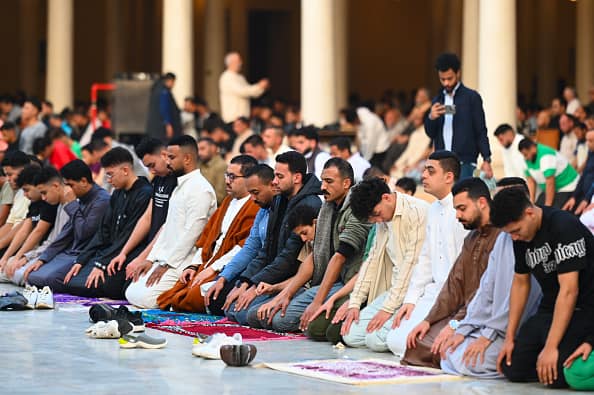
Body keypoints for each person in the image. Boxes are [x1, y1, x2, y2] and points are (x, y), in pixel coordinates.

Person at [249, 158, 370, 335]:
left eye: (329, 182)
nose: (322, 187)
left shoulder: (357, 209)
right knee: (254, 315)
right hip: (324, 280)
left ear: (346, 183)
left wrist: (316, 301)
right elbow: (313, 257)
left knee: (281, 321)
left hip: (349, 281)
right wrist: (285, 294)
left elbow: (339, 257)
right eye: (322, 180)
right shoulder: (327, 207)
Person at [491, 187, 594, 388]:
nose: (514, 238)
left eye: (515, 231)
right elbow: (521, 283)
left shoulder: (564, 226)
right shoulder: (521, 236)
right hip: (551, 308)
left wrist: (551, 347)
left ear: (529, 213)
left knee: (555, 374)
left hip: (584, 308)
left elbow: (569, 291)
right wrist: (509, 338)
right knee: (510, 366)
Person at [440, 178, 542, 378]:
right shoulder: (504, 237)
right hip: (491, 325)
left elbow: (523, 299)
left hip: (515, 328)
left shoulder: (526, 236)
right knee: (450, 351)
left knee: (468, 360)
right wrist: (464, 328)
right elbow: (486, 288)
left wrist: (488, 335)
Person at [401, 178, 500, 368]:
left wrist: (455, 325)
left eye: (462, 209)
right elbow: (453, 285)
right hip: (464, 315)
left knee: (448, 351)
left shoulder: (501, 237)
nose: (457, 216)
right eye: (456, 209)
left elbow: (485, 296)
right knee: (417, 343)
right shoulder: (471, 238)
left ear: (482, 203)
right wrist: (428, 320)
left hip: (487, 319)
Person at [384, 151, 469, 357]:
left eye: (431, 171)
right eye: (424, 170)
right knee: (394, 340)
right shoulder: (433, 209)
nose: (423, 176)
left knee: (411, 344)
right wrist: (411, 300)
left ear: (449, 177)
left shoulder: (463, 211)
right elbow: (425, 259)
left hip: (458, 298)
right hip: (433, 293)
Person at [224, 151, 322, 325]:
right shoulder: (278, 199)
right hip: (273, 277)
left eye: (279, 176)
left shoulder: (310, 204)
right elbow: (266, 250)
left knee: (250, 315)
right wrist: (246, 282)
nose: (274, 181)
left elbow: (288, 258)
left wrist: (256, 288)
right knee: (231, 308)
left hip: (294, 280)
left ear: (297, 177)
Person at [156, 155, 260, 312]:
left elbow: (242, 248)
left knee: (197, 296)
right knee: (183, 285)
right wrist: (194, 265)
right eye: (227, 175)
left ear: (249, 179)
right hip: (208, 261)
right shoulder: (227, 202)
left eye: (232, 177)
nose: (226, 181)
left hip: (226, 267)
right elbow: (207, 238)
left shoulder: (254, 206)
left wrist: (213, 269)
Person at [124, 136, 216, 307]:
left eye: (171, 157)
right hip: (165, 257)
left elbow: (192, 234)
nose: (167, 162)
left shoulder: (200, 189)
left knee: (147, 300)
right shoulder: (180, 186)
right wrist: (150, 259)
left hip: (184, 260)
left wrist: (167, 264)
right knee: (130, 292)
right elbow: (167, 227)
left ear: (187, 159)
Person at [340, 177, 428, 351]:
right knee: (350, 334)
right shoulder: (383, 219)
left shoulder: (417, 212)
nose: (377, 221)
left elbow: (410, 265)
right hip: (394, 290)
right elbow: (372, 260)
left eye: (376, 214)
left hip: (418, 293)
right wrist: (355, 302)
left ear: (386, 197)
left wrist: (388, 309)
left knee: (375, 340)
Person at [59, 148, 152, 298]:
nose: (108, 180)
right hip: (109, 252)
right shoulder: (117, 193)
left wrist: (102, 264)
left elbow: (129, 235)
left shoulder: (144, 193)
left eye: (110, 174)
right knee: (71, 280)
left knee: (103, 286)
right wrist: (82, 260)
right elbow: (103, 231)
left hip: (128, 253)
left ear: (126, 170)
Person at [203, 164, 276, 316]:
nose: (253, 199)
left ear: (272, 185)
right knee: (216, 299)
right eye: (250, 194)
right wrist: (223, 277)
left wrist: (249, 284)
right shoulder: (263, 209)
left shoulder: (281, 208)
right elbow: (250, 248)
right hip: (256, 267)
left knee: (239, 311)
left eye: (256, 192)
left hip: (270, 272)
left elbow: (274, 257)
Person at [25, 160, 110, 289]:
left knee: (46, 279)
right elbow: (65, 234)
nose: (68, 189)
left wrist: (72, 205)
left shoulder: (102, 200)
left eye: (70, 185)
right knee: (32, 275)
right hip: (69, 253)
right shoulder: (80, 198)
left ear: (83, 181)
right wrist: (43, 259)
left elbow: (84, 234)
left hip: (85, 255)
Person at [106, 138, 177, 288]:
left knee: (124, 287)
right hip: (151, 248)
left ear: (164, 155)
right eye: (148, 167)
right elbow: (147, 218)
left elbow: (166, 227)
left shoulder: (178, 182)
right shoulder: (158, 180)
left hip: (167, 251)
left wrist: (143, 257)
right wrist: (123, 253)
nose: (151, 171)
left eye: (152, 165)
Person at [0, 167, 73, 286]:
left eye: (27, 190)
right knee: (10, 267)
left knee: (19, 273)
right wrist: (16, 257)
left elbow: (39, 232)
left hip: (48, 252)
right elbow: (24, 230)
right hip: (39, 251)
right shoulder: (38, 203)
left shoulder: (52, 204)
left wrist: (23, 258)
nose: (25, 195)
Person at [424, 53, 492, 179]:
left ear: (458, 73)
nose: (446, 83)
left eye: (450, 78)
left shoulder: (471, 98)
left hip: (465, 162)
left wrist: (486, 159)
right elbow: (430, 133)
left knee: (464, 197)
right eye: (442, 79)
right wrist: (431, 118)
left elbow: (480, 130)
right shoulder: (437, 100)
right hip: (442, 163)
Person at [518, 138, 579, 208]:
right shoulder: (527, 159)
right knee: (537, 208)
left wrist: (548, 207)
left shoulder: (546, 155)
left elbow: (550, 183)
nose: (525, 158)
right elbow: (531, 181)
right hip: (552, 190)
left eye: (526, 154)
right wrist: (531, 203)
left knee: (551, 212)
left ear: (532, 148)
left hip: (567, 187)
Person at [219, 52, 269, 123]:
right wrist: (259, 86)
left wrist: (262, 88)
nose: (241, 63)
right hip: (233, 119)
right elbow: (243, 92)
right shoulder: (227, 77)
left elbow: (251, 93)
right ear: (231, 63)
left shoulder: (241, 77)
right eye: (238, 61)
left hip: (244, 118)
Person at [0, 151, 32, 245]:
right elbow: (9, 224)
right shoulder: (19, 193)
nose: (8, 179)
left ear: (23, 170)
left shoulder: (34, 194)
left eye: (10, 174)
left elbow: (21, 228)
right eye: (6, 175)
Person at [563, 129, 594, 215]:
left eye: (591, 141)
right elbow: (583, 176)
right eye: (587, 140)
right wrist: (574, 197)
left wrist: (586, 199)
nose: (587, 143)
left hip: (591, 198)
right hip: (583, 195)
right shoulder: (591, 154)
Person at [146, 72, 182, 140]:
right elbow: (164, 109)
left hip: (155, 127)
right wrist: (168, 124)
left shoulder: (156, 89)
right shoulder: (164, 91)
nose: (173, 85)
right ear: (170, 80)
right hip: (162, 129)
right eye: (173, 82)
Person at [198, 137, 227, 205]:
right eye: (198, 150)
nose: (199, 153)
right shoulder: (199, 164)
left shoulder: (221, 166)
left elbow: (220, 197)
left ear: (213, 148)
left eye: (202, 149)